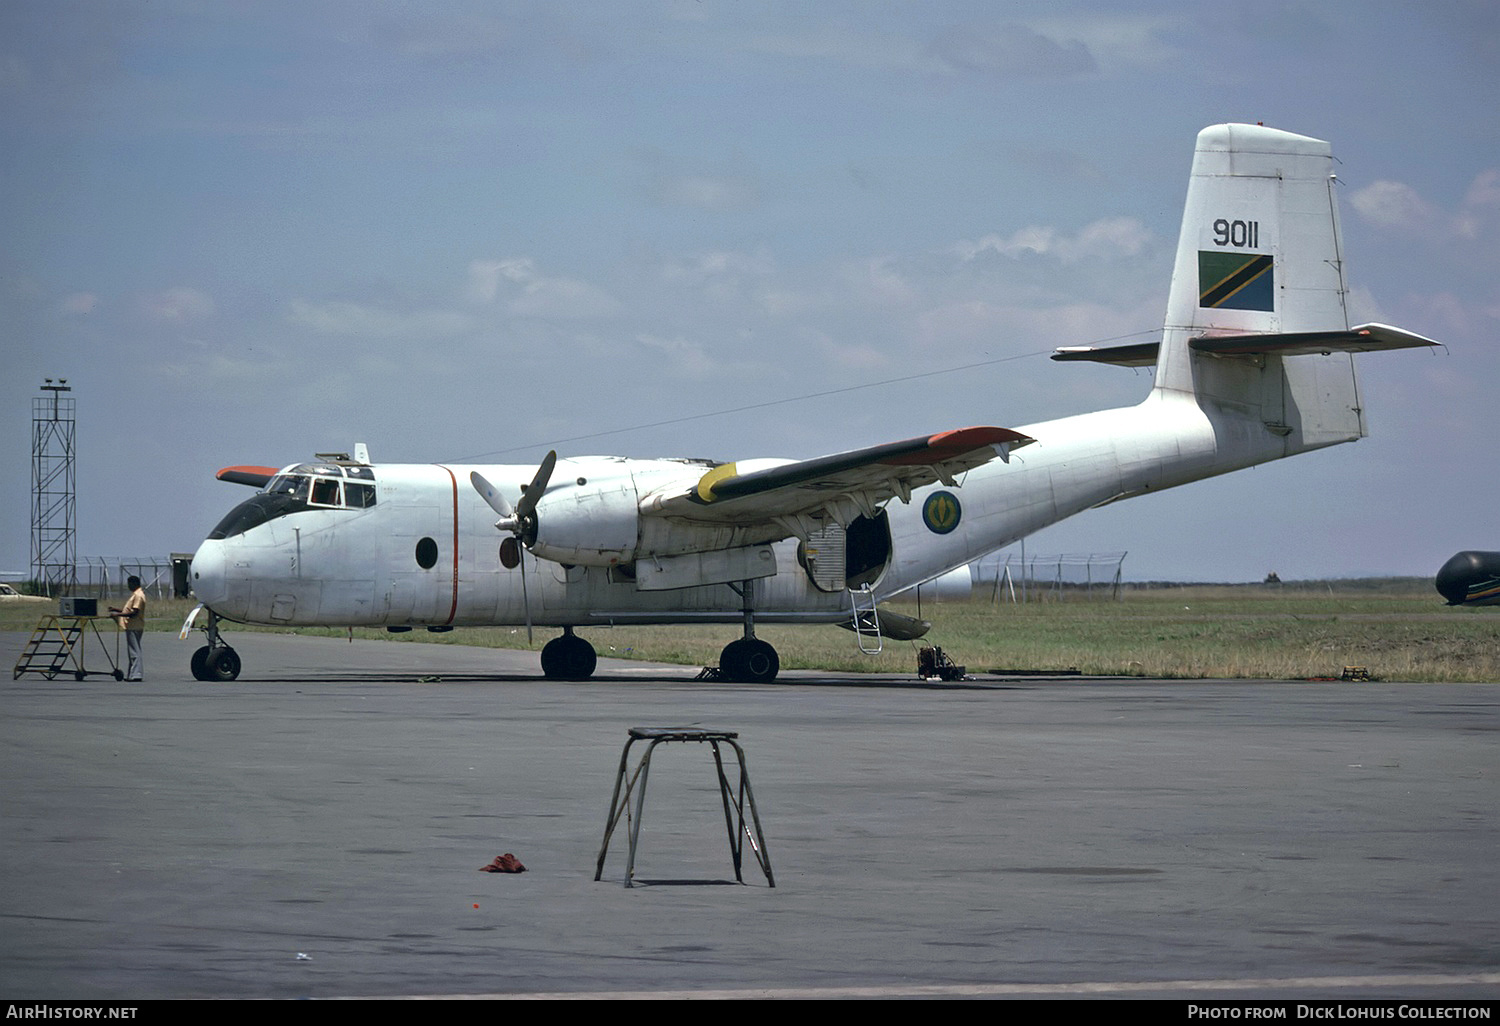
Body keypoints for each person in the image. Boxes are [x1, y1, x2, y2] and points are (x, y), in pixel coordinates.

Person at [109, 575, 146, 681]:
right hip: (132, 626)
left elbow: (134, 613)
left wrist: (117, 615)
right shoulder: (135, 595)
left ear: (134, 583)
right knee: (133, 651)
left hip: (134, 626)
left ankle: (137, 674)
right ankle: (132, 674)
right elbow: (129, 610)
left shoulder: (138, 595)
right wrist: (117, 610)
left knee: (135, 651)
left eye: (129, 584)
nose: (128, 586)